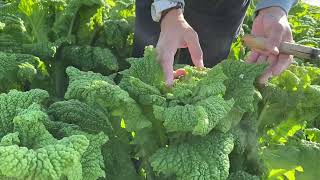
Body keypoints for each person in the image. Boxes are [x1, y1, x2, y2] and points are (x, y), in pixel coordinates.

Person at [132, 0, 297, 85]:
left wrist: (275, 7)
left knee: (204, 74)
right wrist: (167, 8)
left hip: (223, 7)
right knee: (148, 70)